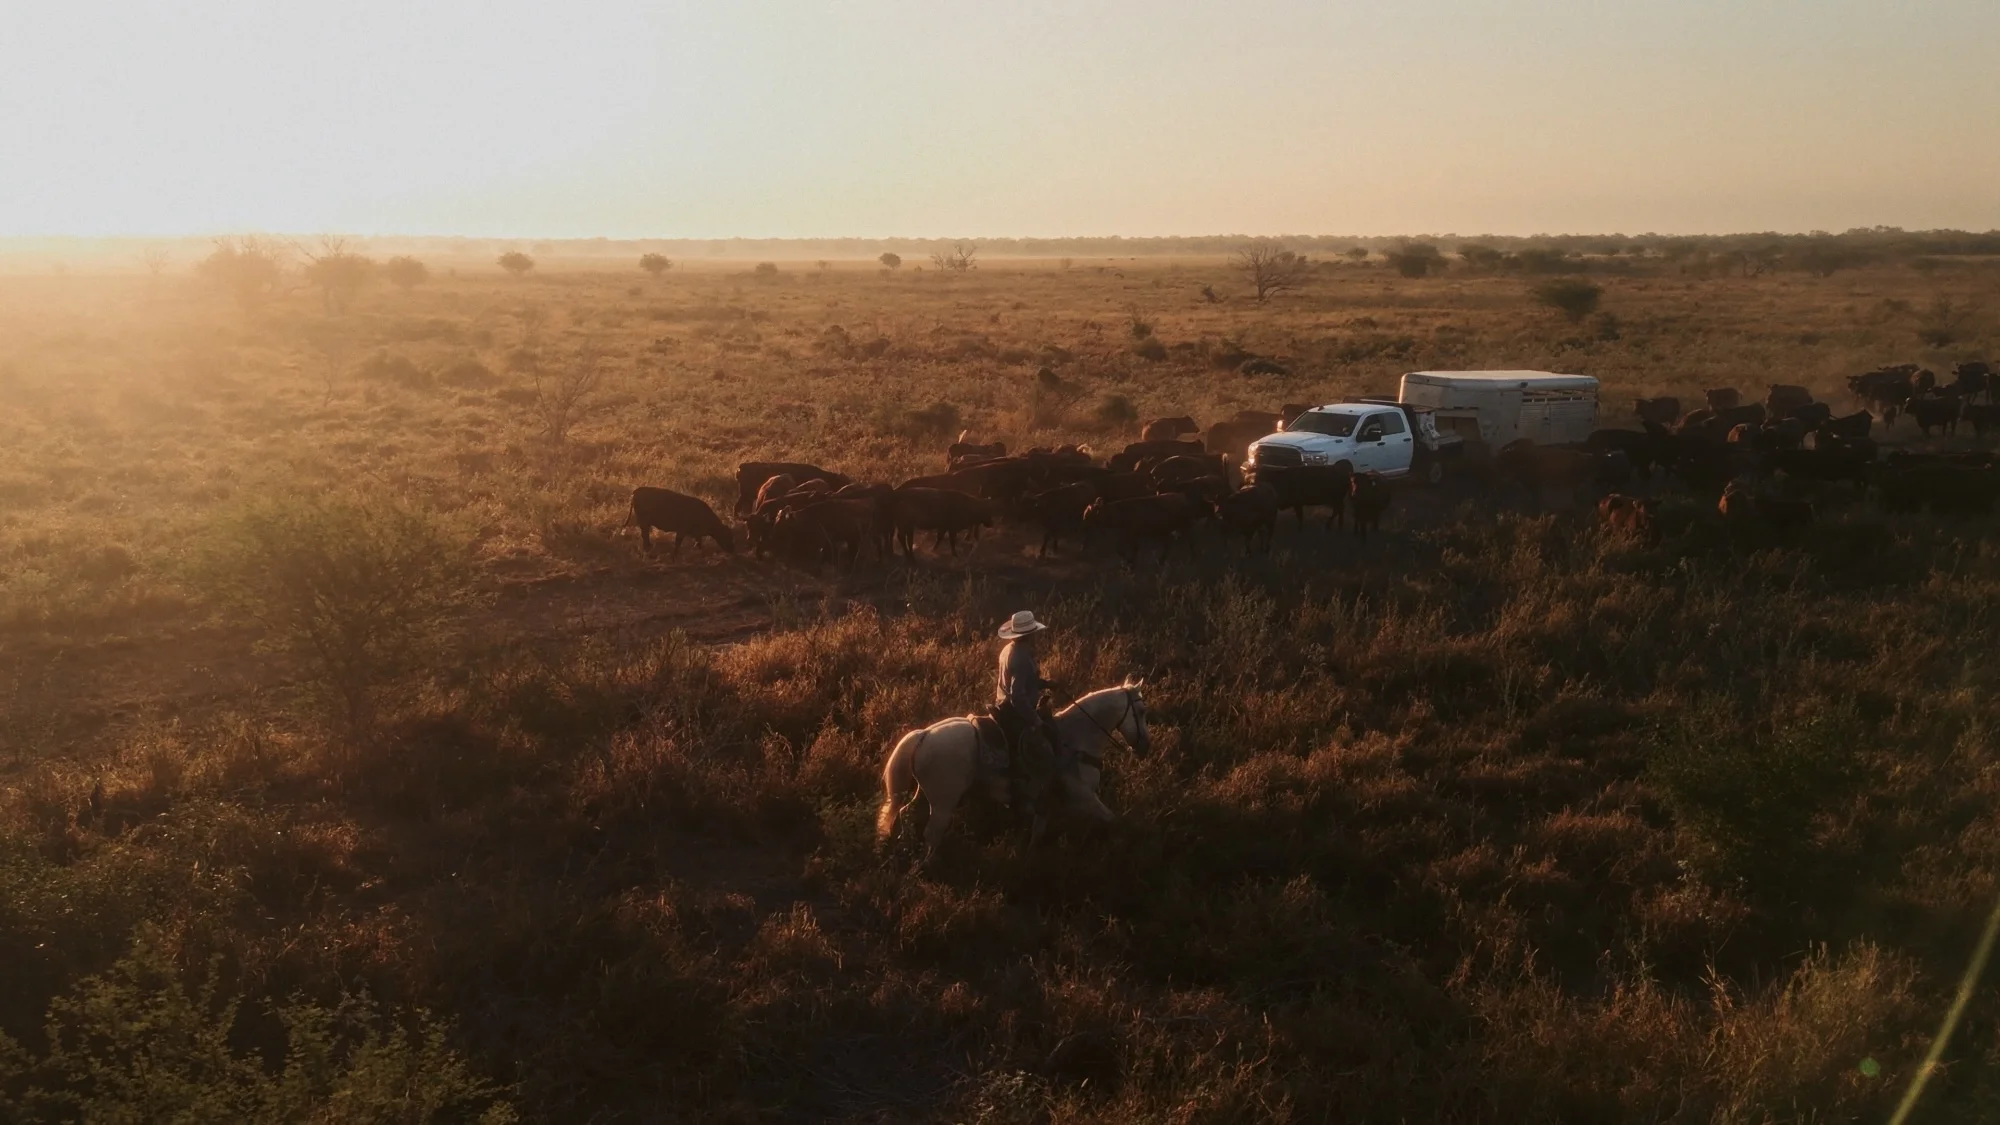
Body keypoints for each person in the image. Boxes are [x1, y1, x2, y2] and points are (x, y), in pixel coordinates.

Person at [993, 610, 1066, 822]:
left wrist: (1046, 684)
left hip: (1005, 703)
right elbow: (1018, 696)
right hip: (1014, 709)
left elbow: (1026, 682)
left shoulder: (1010, 650)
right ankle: (1033, 795)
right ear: (1029, 634)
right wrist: (1035, 720)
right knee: (1041, 747)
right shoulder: (1022, 657)